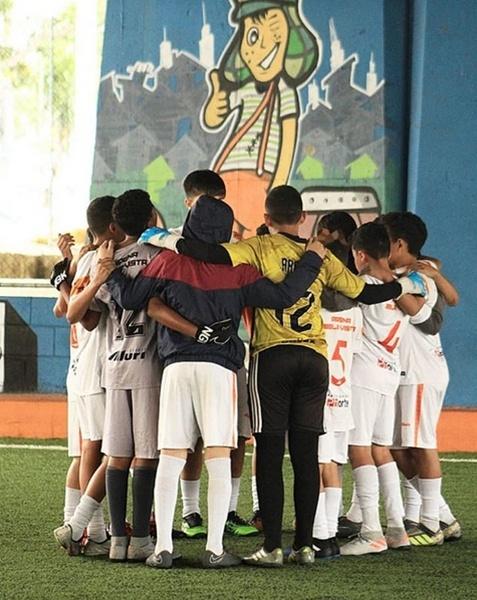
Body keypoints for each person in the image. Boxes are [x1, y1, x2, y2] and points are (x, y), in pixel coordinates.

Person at [140, 185, 427, 566]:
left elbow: (207, 253)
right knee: (307, 456)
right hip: (314, 358)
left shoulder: (258, 249)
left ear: (266, 219)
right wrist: (406, 284)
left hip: (272, 357)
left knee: (271, 453)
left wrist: (167, 239)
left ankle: (272, 546)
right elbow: (364, 293)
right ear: (303, 218)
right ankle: (306, 545)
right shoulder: (321, 254)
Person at [102, 192, 327, 568]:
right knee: (219, 455)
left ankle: (161, 549)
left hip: (175, 367)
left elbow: (129, 298)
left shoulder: (168, 261)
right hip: (220, 369)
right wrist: (313, 260)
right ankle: (215, 548)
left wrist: (109, 268)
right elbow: (287, 295)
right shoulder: (238, 268)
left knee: (171, 456)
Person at [339, 222, 432, 556]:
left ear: (361, 254)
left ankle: (371, 532)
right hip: (390, 372)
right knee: (381, 449)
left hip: (363, 375)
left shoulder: (362, 285)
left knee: (359, 449)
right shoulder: (402, 289)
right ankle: (396, 528)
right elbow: (423, 315)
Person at [203, 0, 319, 237]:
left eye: (275, 35)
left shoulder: (285, 90)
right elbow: (214, 119)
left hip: (261, 187)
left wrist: (273, 193)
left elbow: (287, 146)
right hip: (228, 182)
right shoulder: (245, 89)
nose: (261, 47)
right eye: (253, 36)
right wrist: (216, 101)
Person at [381, 212, 461, 545]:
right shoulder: (412, 270)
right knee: (398, 448)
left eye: (383, 241)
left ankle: (430, 524)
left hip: (420, 371)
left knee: (421, 444)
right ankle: (442, 515)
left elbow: (432, 315)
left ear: (399, 243)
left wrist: (386, 276)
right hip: (405, 372)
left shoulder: (418, 278)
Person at [52, 197, 117, 557]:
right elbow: (78, 314)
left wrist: (64, 275)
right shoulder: (95, 261)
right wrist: (70, 273)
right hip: (93, 366)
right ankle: (85, 528)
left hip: (79, 368)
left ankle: (78, 529)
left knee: (84, 450)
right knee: (101, 446)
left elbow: (61, 306)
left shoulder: (81, 261)